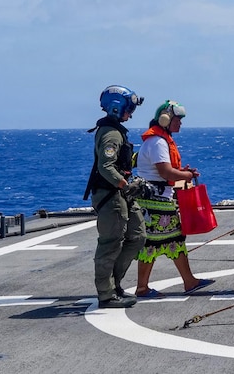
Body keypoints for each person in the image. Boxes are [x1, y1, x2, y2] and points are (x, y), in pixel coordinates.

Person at [134, 100, 214, 297]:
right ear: (165, 119)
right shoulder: (158, 142)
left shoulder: (159, 140)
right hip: (156, 202)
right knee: (157, 243)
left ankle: (188, 281)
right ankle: (144, 287)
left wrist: (181, 172)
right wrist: (186, 175)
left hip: (157, 200)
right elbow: (166, 172)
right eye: (177, 119)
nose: (180, 123)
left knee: (169, 241)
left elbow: (166, 171)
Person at [85, 85, 146, 308]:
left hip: (121, 194)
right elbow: (106, 166)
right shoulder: (111, 133)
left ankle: (114, 284)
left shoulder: (116, 131)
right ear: (116, 108)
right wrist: (124, 184)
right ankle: (106, 294)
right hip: (111, 195)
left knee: (137, 236)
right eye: (129, 109)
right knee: (110, 244)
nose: (131, 113)